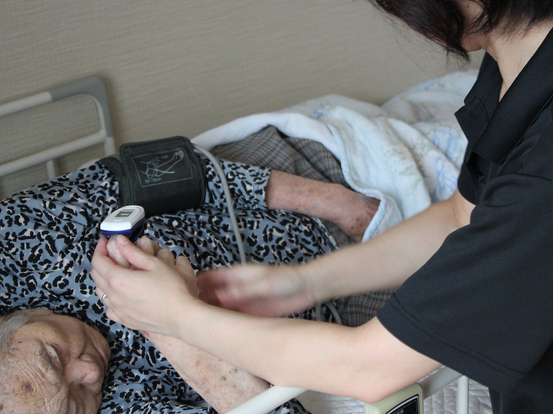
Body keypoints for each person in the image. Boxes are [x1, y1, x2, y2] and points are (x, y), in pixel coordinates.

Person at [91, 0, 553, 413]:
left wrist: (177, 318)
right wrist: (303, 283)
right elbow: (459, 216)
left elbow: (369, 367)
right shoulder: (545, 56)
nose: (397, 12)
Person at [0, 144, 378, 414]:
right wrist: (169, 324)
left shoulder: (12, 245)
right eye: (74, 406)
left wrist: (342, 205)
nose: (91, 371)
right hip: (338, 311)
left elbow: (153, 172)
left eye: (54, 356)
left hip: (283, 184)